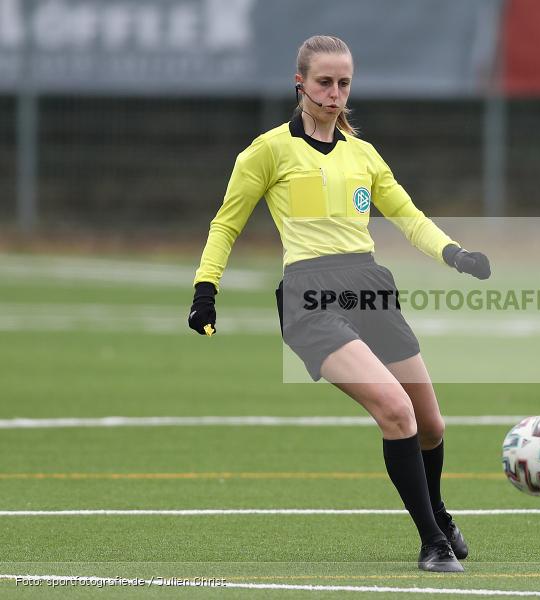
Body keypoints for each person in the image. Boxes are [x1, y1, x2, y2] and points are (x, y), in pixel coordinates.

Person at [187, 35, 491, 573]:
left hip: (370, 288)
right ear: (299, 83)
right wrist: (205, 289)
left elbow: (408, 217)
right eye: (323, 82)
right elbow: (226, 223)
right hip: (311, 297)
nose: (333, 94)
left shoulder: (363, 155)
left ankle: (438, 513)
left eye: (343, 83)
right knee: (395, 411)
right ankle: (432, 543)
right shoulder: (267, 151)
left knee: (431, 424)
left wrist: (455, 254)